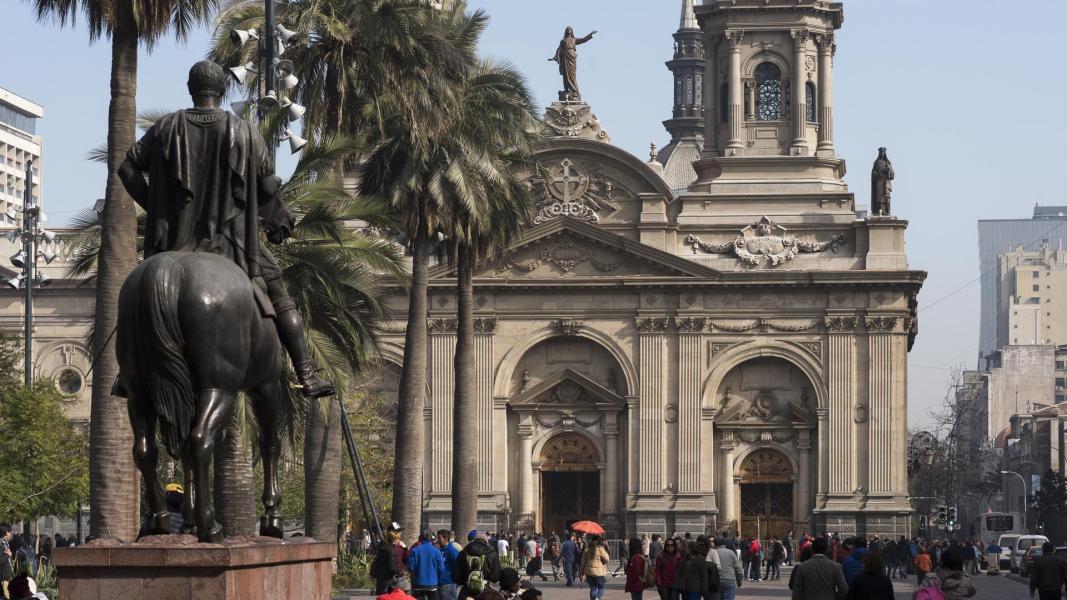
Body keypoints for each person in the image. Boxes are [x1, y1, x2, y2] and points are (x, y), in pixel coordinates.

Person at [115, 59, 334, 400]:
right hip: (232, 243)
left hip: (173, 242)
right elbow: (265, 188)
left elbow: (126, 169)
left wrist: (158, 209)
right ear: (222, 91)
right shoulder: (244, 131)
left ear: (190, 89)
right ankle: (307, 374)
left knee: (142, 294)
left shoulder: (165, 127)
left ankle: (126, 373)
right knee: (280, 298)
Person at [455, 532, 502, 600]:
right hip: (485, 593)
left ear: (474, 541)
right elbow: (496, 577)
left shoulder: (463, 552)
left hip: (466, 592)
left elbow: (457, 576)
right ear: (486, 542)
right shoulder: (492, 553)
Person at [408, 531, 447, 600]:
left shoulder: (414, 551)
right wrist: (439, 581)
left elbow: (411, 568)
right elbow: (441, 568)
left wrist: (413, 580)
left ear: (421, 538)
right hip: (432, 584)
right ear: (431, 539)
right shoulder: (436, 551)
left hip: (418, 584)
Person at [374, 523, 410, 595]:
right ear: (394, 533)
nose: (400, 533)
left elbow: (405, 560)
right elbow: (393, 568)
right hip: (391, 582)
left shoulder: (384, 545)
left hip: (383, 581)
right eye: (399, 531)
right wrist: (399, 574)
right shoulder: (391, 548)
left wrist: (405, 548)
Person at [579, 535, 610, 600]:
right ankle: (598, 598)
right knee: (601, 587)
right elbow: (607, 559)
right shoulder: (600, 549)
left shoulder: (587, 549)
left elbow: (583, 562)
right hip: (599, 572)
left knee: (593, 588)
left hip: (589, 572)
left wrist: (581, 572)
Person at [436, 530, 461, 600]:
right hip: (441, 582)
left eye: (440, 538)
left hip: (448, 582)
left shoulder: (451, 550)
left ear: (446, 539)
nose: (438, 540)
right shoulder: (440, 549)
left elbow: (459, 563)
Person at [655, 536, 682, 600]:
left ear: (674, 546)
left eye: (672, 545)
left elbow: (680, 570)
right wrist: (659, 584)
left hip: (675, 584)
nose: (669, 547)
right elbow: (657, 570)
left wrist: (679, 582)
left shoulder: (678, 556)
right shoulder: (660, 556)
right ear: (665, 546)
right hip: (663, 584)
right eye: (668, 545)